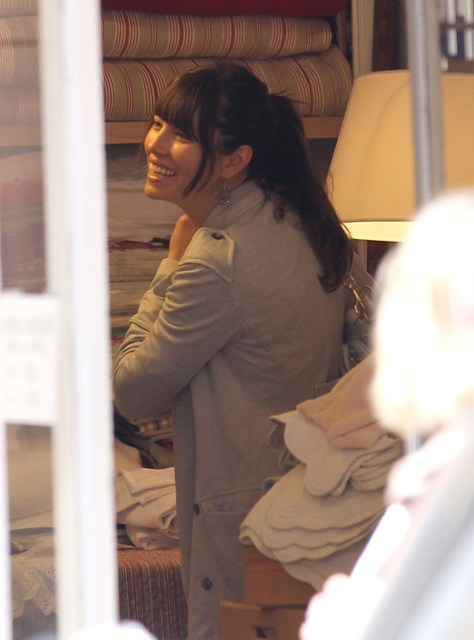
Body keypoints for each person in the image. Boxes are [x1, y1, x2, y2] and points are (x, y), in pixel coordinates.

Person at [113, 62, 361, 640]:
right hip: (305, 502)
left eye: (181, 135)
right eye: (158, 124)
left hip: (236, 516)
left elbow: (132, 391)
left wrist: (172, 263)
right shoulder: (304, 221)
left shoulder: (216, 259)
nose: (156, 145)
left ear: (233, 160)